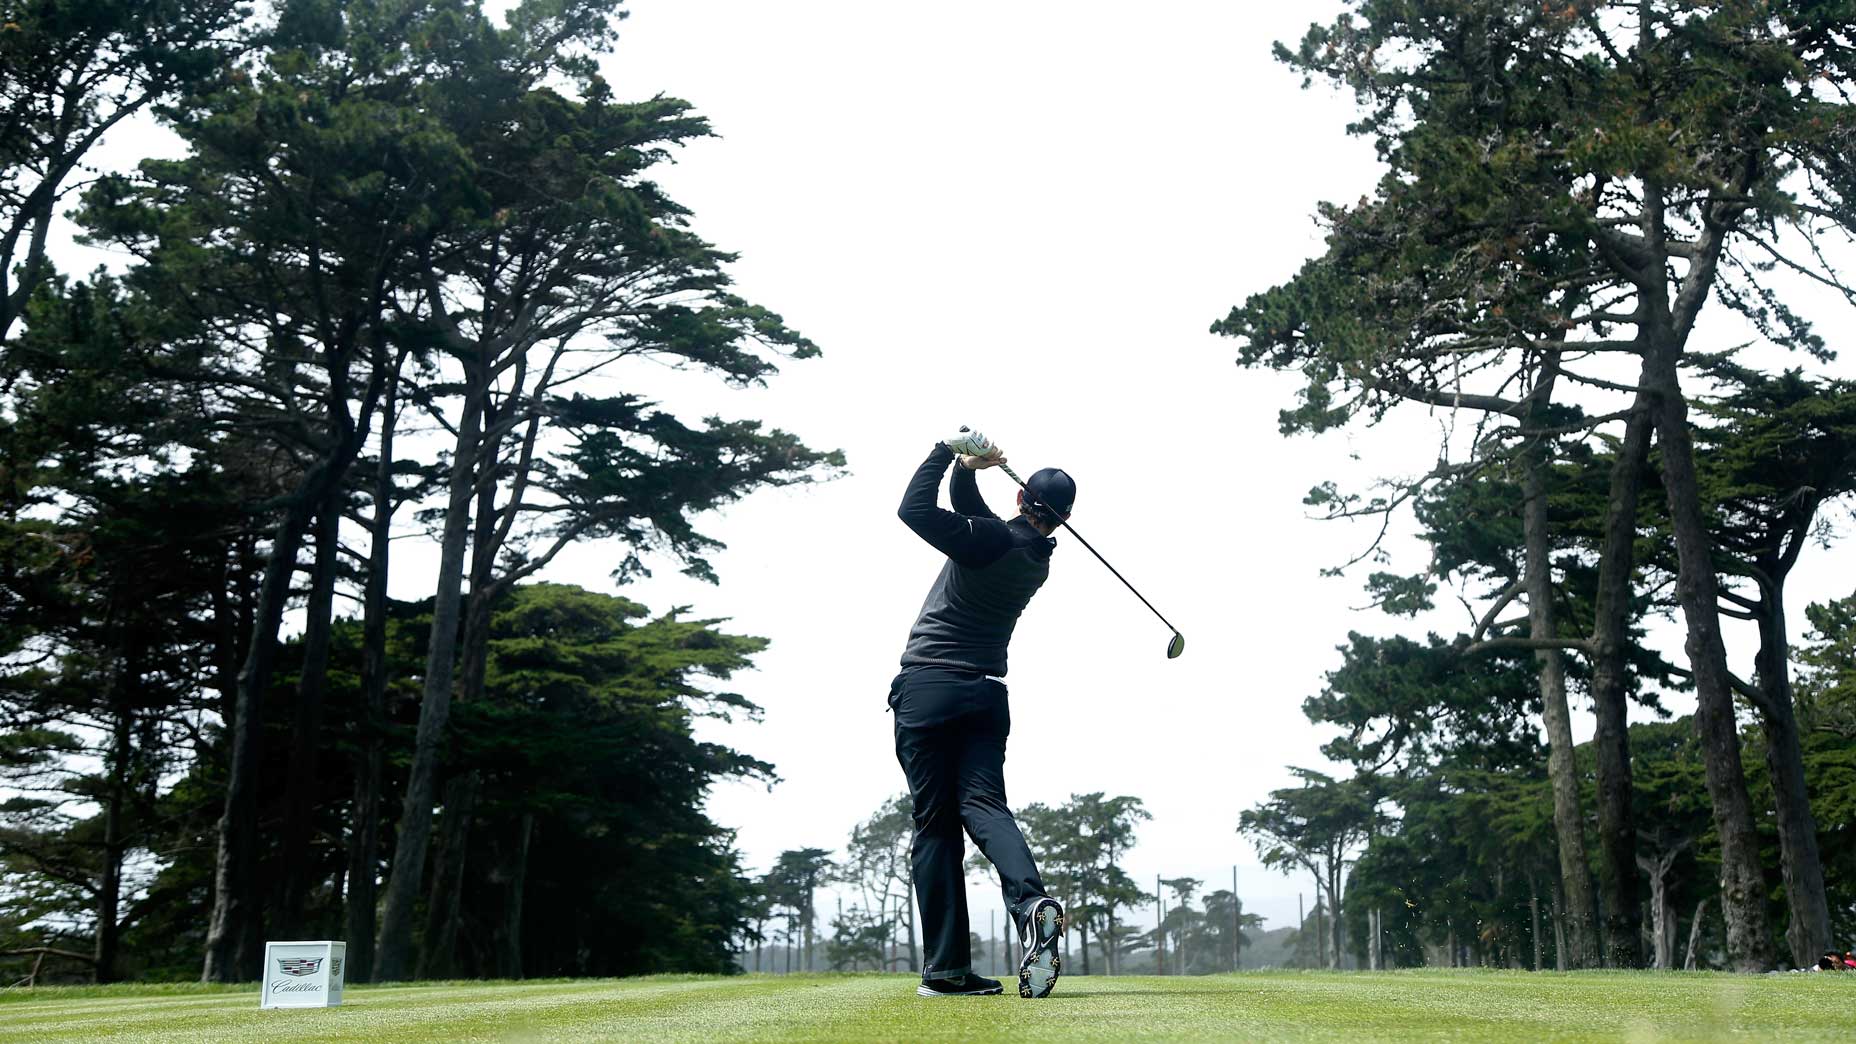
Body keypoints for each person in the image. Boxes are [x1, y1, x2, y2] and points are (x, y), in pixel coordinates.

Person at [888, 427, 1074, 999]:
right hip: (987, 696)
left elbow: (912, 510)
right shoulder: (1034, 553)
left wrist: (944, 452)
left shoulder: (991, 540)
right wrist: (970, 473)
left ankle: (945, 969)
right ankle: (1031, 902)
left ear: (1022, 500)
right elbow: (977, 520)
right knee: (986, 807)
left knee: (937, 827)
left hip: (929, 689)